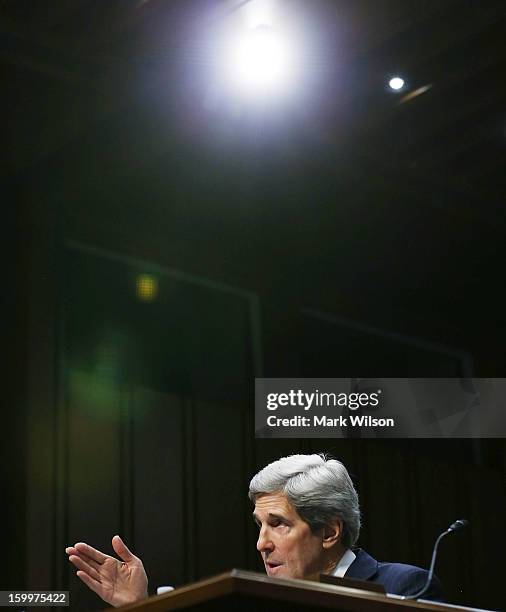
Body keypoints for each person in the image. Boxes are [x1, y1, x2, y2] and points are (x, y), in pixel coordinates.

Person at [66, 454, 443, 606]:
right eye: (260, 526)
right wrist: (141, 608)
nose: (261, 544)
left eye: (278, 524)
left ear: (329, 531)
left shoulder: (404, 588)